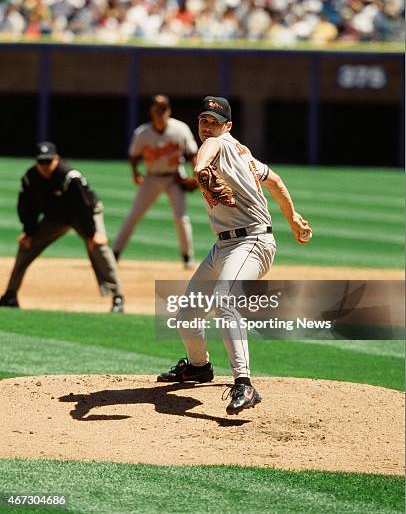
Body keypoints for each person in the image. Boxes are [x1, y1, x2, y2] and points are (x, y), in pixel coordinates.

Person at [157, 96, 312, 415]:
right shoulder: (244, 154)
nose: (207, 126)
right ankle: (199, 367)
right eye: (203, 120)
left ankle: (244, 384)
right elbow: (276, 181)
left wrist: (200, 170)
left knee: (227, 302)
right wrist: (293, 217)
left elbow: (206, 155)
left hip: (251, 242)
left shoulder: (219, 144)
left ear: (227, 126)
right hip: (224, 247)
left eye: (214, 121)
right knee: (187, 315)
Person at [0, 141, 124, 313]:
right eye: (41, 162)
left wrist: (92, 233)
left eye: (48, 161)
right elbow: (26, 207)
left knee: (99, 247)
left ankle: (118, 297)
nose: (44, 166)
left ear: (56, 159)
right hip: (56, 218)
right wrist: (29, 232)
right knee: (26, 246)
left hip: (86, 215)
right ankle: (10, 295)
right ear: (36, 161)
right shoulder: (31, 177)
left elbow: (83, 205)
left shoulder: (69, 177)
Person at [113, 94, 198, 269]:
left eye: (163, 109)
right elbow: (134, 156)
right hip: (152, 177)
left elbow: (192, 154)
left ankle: (187, 257)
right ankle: (114, 255)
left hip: (175, 177)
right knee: (134, 216)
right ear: (151, 111)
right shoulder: (142, 133)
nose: (160, 113)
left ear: (169, 111)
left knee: (181, 219)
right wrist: (135, 173)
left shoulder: (180, 129)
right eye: (157, 109)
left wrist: (196, 175)